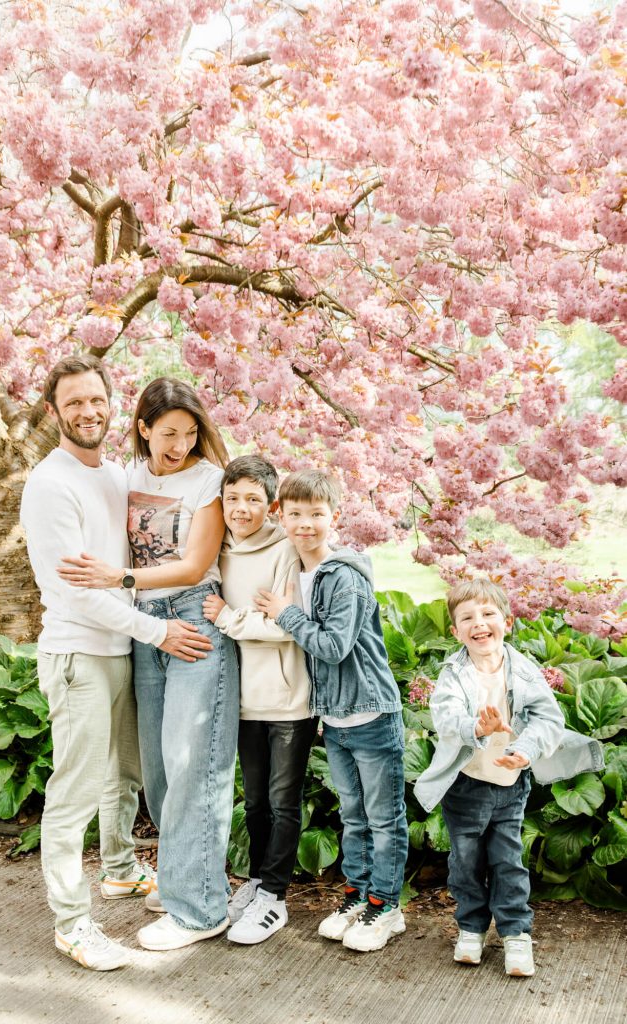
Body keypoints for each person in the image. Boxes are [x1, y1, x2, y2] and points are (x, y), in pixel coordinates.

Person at [20, 356, 212, 972]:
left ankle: (123, 871)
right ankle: (73, 924)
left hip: (120, 647)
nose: (86, 412)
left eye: (95, 400)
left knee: (123, 776)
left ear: (112, 405)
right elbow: (76, 591)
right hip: (80, 652)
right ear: (54, 411)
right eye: (73, 403)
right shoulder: (50, 484)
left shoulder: (111, 474)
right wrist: (157, 631)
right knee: (74, 792)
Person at [57, 377, 240, 952]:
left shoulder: (208, 481)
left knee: (194, 765)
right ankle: (187, 879)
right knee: (161, 770)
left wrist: (120, 578)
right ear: (142, 428)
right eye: (168, 433)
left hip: (192, 623)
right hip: (146, 630)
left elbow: (193, 565)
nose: (180, 444)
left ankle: (200, 909)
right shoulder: (128, 476)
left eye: (190, 433)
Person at [414, 579, 605, 977]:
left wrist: (526, 749)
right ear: (455, 631)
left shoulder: (523, 670)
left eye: (488, 614)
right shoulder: (453, 674)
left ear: (508, 622)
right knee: (465, 862)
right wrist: (477, 728)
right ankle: (471, 927)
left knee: (508, 862)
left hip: (510, 785)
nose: (479, 623)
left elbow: (548, 718)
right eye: (467, 618)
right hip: (465, 785)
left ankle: (516, 933)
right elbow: (445, 718)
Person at [255, 470, 409, 953]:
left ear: (334, 517)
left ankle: (386, 906)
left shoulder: (342, 576)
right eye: (295, 514)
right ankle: (358, 896)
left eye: (316, 514)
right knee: (354, 816)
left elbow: (335, 646)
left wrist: (287, 613)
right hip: (338, 720)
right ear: (281, 516)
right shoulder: (296, 571)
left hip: (370, 715)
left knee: (384, 819)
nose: (305, 524)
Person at [201, 455, 316, 945]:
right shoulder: (216, 549)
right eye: (232, 499)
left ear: (270, 505)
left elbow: (288, 628)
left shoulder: (285, 552)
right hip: (242, 700)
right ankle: (255, 883)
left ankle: (275, 896)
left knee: (283, 801)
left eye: (252, 499)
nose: (241, 509)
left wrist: (230, 617)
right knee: (255, 804)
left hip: (289, 700)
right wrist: (248, 617)